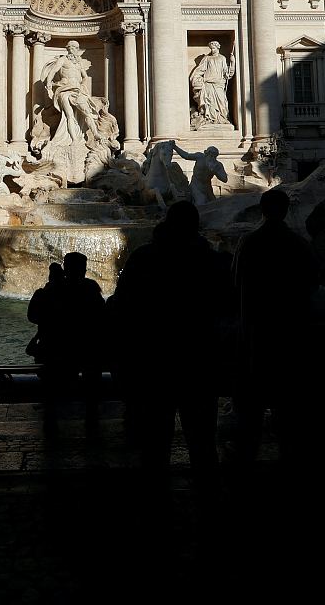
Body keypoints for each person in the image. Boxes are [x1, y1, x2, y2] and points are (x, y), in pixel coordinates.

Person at [108, 201, 231, 483]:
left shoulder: (144, 258)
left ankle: (155, 509)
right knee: (203, 443)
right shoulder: (213, 262)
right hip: (199, 361)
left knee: (154, 446)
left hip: (153, 362)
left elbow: (121, 309)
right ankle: (209, 504)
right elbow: (228, 311)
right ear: (196, 226)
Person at [231, 188, 325, 469]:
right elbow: (313, 283)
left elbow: (235, 284)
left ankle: (244, 471)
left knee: (251, 413)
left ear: (262, 210)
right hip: (290, 334)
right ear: (286, 210)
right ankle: (293, 469)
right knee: (289, 411)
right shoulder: (298, 244)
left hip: (256, 334)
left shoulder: (248, 243)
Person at [27, 252, 106, 429]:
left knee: (52, 393)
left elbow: (32, 315)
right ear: (83, 269)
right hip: (85, 350)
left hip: (54, 349)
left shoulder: (52, 289)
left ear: (65, 267)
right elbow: (102, 317)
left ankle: (51, 423)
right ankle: (91, 421)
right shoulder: (91, 289)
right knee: (91, 386)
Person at [189, 41, 235, 126]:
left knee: (221, 102)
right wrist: (196, 78)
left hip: (219, 84)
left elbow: (227, 73)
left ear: (218, 48)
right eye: (211, 48)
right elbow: (200, 70)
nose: (212, 50)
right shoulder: (207, 58)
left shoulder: (222, 58)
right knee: (209, 104)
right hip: (208, 84)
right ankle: (209, 119)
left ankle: (222, 118)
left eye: (213, 48)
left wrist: (232, 62)